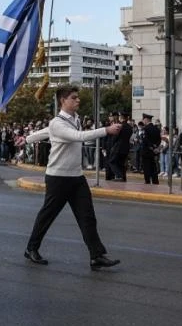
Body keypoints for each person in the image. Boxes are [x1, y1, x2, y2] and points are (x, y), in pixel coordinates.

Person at [22, 84, 123, 270]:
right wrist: (106, 130)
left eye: (77, 97)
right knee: (47, 215)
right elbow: (77, 136)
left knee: (87, 216)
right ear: (63, 100)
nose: (78, 100)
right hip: (58, 178)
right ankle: (31, 248)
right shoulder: (58, 123)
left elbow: (46, 132)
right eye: (73, 98)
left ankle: (96, 256)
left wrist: (27, 138)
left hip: (76, 177)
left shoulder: (74, 119)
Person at [107, 112, 131, 181]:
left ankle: (119, 176)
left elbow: (115, 137)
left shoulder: (120, 126)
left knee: (111, 161)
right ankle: (123, 178)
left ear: (121, 117)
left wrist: (112, 145)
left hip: (118, 147)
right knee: (121, 164)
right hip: (126, 148)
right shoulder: (129, 127)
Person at [140, 113, 161, 185]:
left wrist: (151, 146)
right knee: (153, 167)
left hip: (146, 151)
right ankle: (155, 181)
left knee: (146, 167)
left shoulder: (145, 128)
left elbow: (145, 140)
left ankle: (147, 181)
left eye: (143, 119)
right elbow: (159, 139)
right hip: (154, 151)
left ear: (146, 119)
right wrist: (155, 146)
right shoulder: (156, 128)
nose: (143, 121)